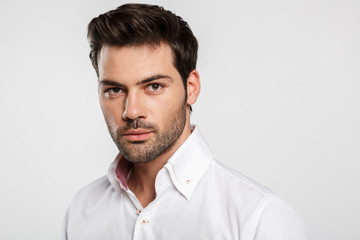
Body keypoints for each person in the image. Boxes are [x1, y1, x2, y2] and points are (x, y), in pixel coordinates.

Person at [63, 3, 309, 240]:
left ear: (191, 88)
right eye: (115, 90)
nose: (132, 111)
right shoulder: (82, 210)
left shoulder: (259, 219)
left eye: (154, 86)